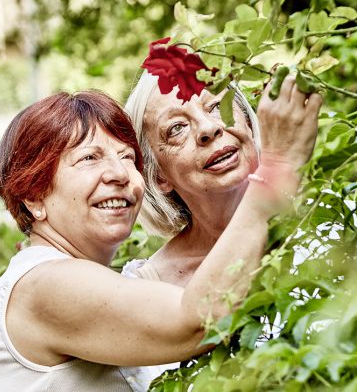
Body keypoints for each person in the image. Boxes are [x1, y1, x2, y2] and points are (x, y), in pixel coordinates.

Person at [0, 83, 320, 391]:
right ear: (34, 196)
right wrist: (277, 166)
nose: (120, 174)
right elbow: (197, 321)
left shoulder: (89, 281)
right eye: (89, 158)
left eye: (128, 157)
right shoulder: (43, 284)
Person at [122, 73, 323, 287]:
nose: (208, 128)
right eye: (177, 128)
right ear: (157, 176)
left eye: (217, 106)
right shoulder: (149, 287)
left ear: (247, 122)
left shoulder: (334, 215)